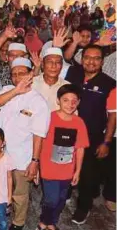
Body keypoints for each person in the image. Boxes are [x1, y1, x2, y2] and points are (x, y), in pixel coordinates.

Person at [0, 57, 50, 230]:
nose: (17, 77)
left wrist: (35, 161)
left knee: (20, 194)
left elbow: (39, 135)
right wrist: (16, 91)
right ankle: (0, 209)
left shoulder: (38, 101)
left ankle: (18, 222)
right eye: (14, 74)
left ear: (31, 74)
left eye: (22, 73)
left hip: (22, 156)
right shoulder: (8, 89)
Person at [65, 44, 116, 224]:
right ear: (82, 58)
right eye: (87, 57)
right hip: (67, 132)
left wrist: (107, 142)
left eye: (96, 58)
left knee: (88, 175)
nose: (91, 61)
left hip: (92, 137)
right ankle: (64, 195)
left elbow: (112, 117)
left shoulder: (110, 84)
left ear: (102, 62)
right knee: (65, 166)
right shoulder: (72, 74)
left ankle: (83, 208)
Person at [38, 84, 89, 230]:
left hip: (67, 170)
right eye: (66, 100)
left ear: (78, 102)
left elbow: (80, 148)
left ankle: (52, 222)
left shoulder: (79, 123)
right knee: (51, 199)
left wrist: (77, 171)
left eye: (74, 101)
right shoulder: (48, 118)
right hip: (48, 168)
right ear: (58, 100)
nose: (70, 104)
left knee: (61, 199)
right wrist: (35, 164)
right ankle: (43, 222)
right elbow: (38, 142)